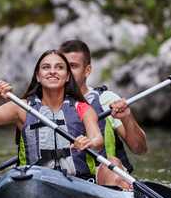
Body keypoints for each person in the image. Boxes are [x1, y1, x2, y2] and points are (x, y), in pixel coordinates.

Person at [0, 49, 104, 179]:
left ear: (68, 76)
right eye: (46, 67)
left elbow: (98, 141)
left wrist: (89, 142)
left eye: (59, 67)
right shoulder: (22, 107)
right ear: (38, 76)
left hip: (77, 182)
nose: (52, 72)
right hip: (34, 180)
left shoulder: (82, 108)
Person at [59, 40, 147, 189]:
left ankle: (120, 189)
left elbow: (140, 149)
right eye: (63, 66)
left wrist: (127, 118)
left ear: (87, 70)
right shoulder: (44, 104)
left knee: (111, 162)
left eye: (73, 66)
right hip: (64, 176)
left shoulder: (107, 100)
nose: (67, 71)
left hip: (104, 177)